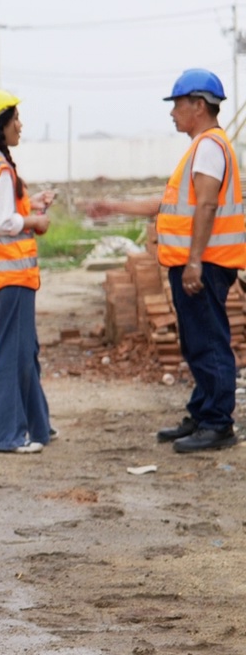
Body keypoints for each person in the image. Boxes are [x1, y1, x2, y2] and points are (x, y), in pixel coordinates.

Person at [81, 69, 246, 453]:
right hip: (198, 264)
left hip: (203, 265)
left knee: (208, 344)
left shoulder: (209, 147)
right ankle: (204, 414)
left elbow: (206, 204)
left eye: (177, 105)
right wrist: (113, 207)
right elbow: (167, 204)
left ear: (199, 106)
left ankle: (218, 423)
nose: (172, 113)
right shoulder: (202, 148)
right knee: (196, 343)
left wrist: (194, 263)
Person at [0, 88, 57, 454]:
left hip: (2, 277)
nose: (20, 125)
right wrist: (34, 221)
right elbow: (0, 220)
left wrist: (29, 203)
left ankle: (38, 425)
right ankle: (5, 434)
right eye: (15, 118)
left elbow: (2, 210)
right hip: (9, 276)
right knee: (13, 353)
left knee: (24, 349)